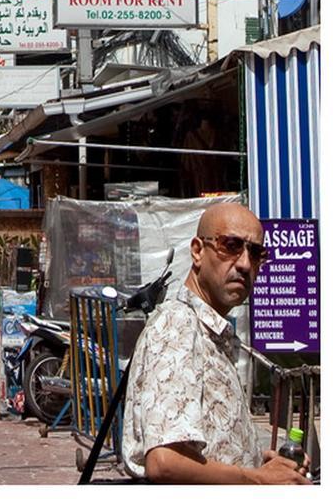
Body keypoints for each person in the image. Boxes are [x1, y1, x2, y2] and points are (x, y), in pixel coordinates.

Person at [121, 204, 310, 484]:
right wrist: (258, 480)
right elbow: (165, 462)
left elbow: (200, 451)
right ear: (198, 251)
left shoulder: (209, 332)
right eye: (231, 245)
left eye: (256, 253)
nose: (245, 264)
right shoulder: (177, 325)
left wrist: (260, 465)